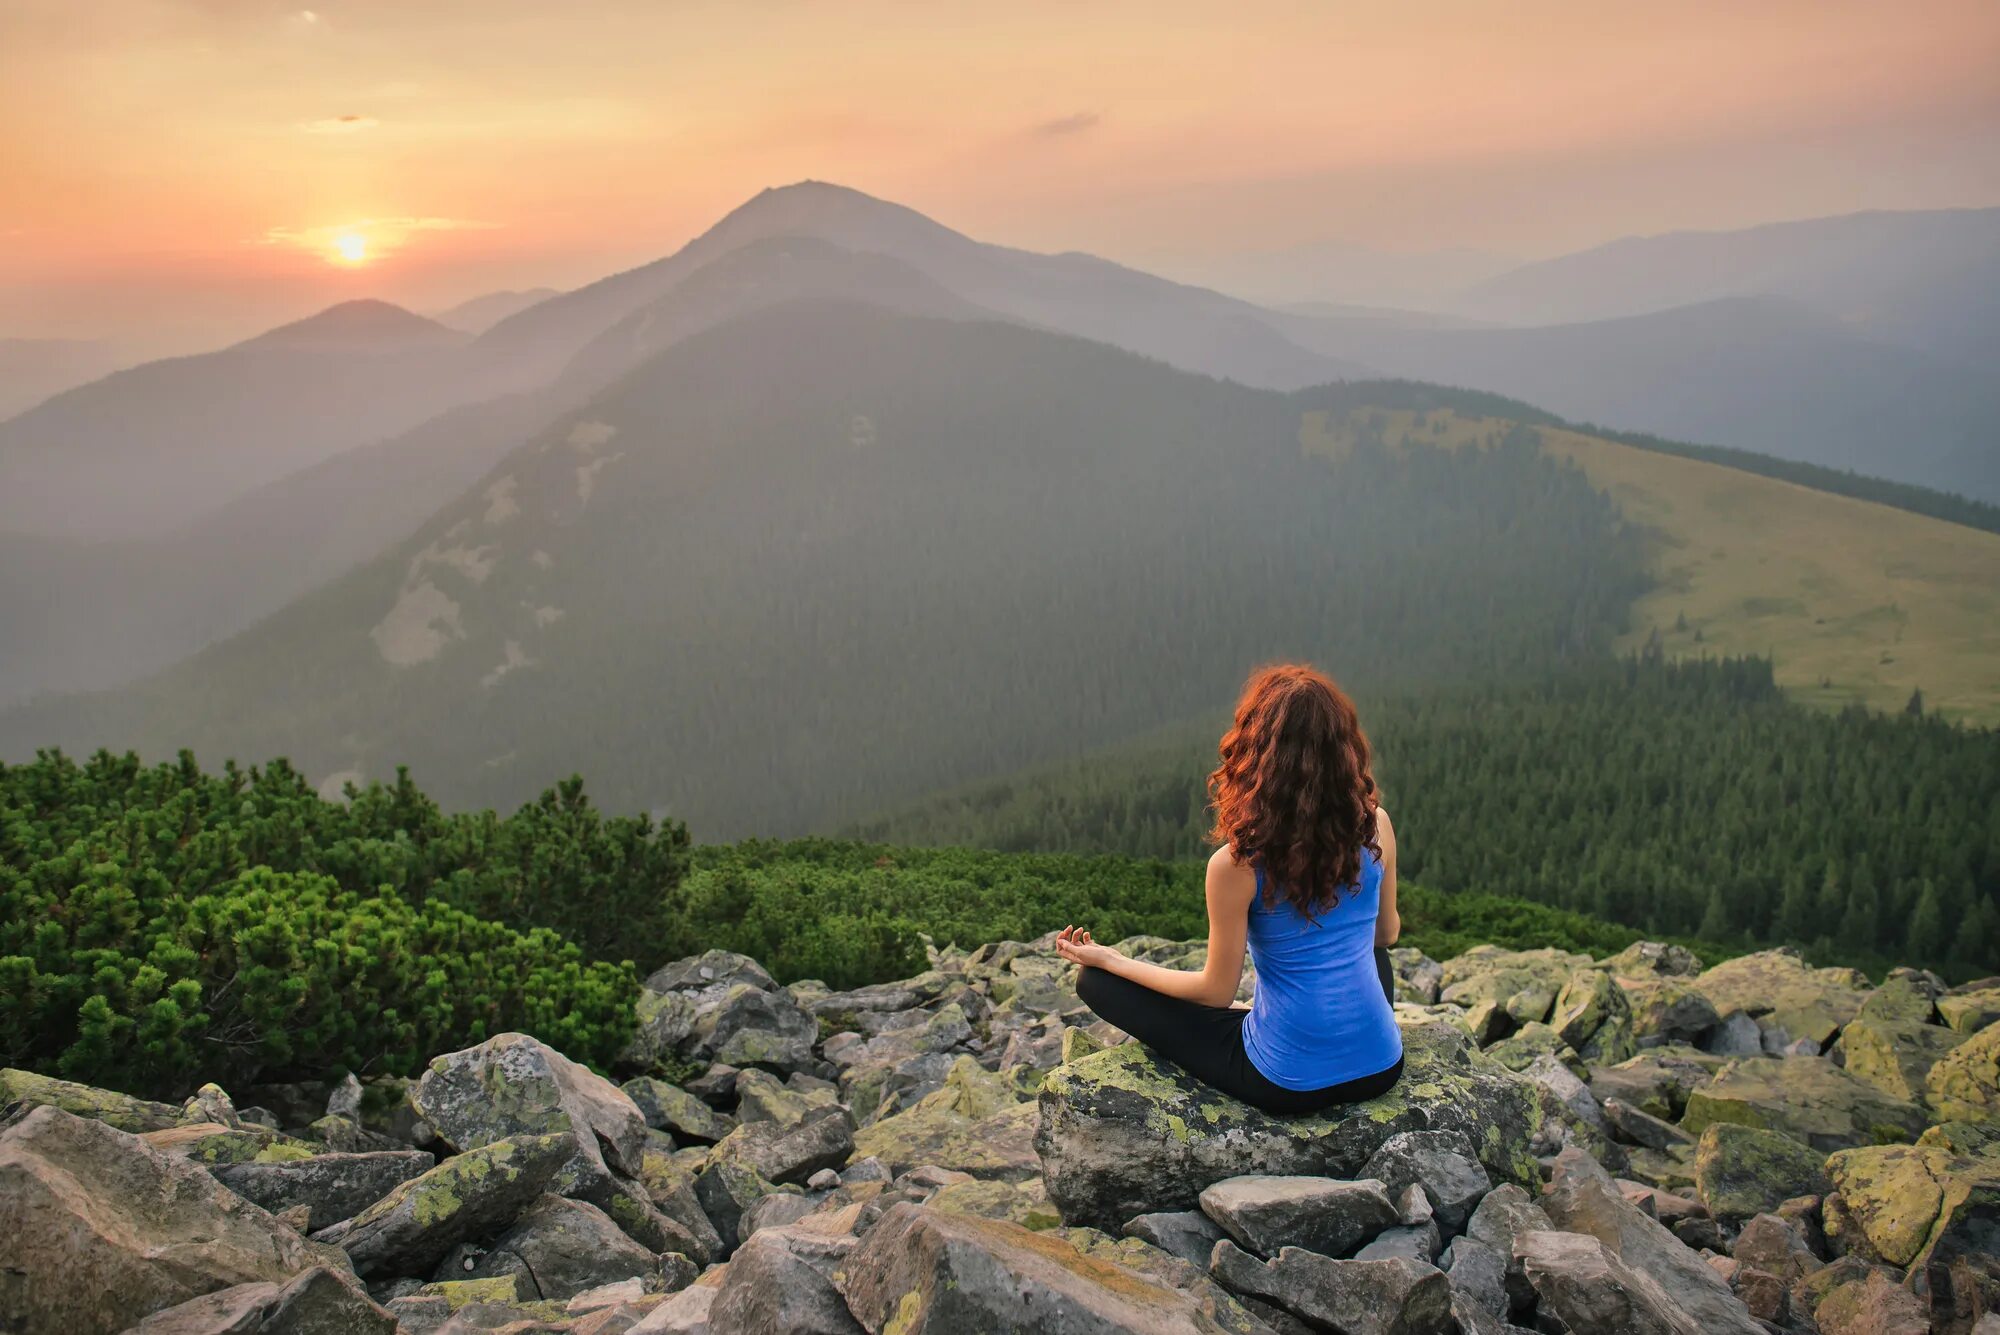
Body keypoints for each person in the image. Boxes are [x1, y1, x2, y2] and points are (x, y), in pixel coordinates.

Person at [1054, 663, 1404, 1115]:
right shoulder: (1377, 825)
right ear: (1345, 750)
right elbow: (1386, 936)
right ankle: (1341, 1035)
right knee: (1365, 951)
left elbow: (1215, 992)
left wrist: (1114, 960)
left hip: (1286, 1083)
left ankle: (1278, 1030)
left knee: (1096, 981)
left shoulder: (1236, 864)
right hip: (1380, 1067)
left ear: (1256, 755)